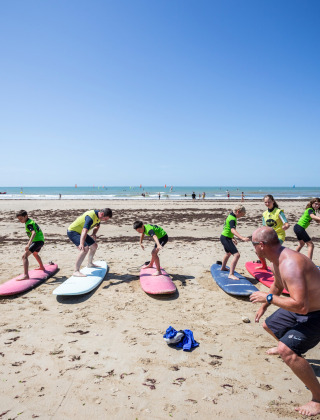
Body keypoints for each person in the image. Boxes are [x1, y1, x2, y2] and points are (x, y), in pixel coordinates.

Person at [250, 227, 320, 416]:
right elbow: (278, 285)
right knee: (268, 324)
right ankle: (294, 350)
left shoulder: (290, 263)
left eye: (253, 245)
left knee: (285, 350)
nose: (254, 249)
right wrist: (264, 305)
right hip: (303, 308)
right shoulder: (276, 259)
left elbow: (301, 306)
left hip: (316, 313)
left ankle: (318, 399)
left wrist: (269, 298)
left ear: (262, 246)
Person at [67, 208, 112, 277]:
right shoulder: (90, 217)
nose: (105, 221)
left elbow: (97, 226)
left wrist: (94, 234)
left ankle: (90, 264)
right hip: (73, 232)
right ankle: (76, 271)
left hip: (80, 232)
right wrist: (81, 244)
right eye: (105, 219)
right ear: (102, 214)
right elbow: (84, 231)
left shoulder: (98, 216)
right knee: (85, 248)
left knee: (94, 246)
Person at [258, 194, 290, 270]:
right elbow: (264, 227)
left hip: (279, 235)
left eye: (269, 202)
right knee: (259, 250)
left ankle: (278, 270)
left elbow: (286, 223)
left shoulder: (279, 212)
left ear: (273, 201)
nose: (267, 204)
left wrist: (285, 226)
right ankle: (264, 266)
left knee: (273, 252)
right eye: (265, 202)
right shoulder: (264, 214)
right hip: (269, 236)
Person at [220, 205, 250, 280]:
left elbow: (226, 228)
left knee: (228, 253)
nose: (241, 216)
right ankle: (231, 274)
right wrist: (242, 238)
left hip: (225, 237)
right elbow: (232, 230)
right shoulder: (232, 219)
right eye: (241, 214)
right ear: (238, 211)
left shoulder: (230, 215)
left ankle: (223, 267)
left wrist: (232, 238)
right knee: (237, 255)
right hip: (226, 238)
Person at [16, 210, 45, 280]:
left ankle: (26, 275)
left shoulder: (28, 224)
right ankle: (41, 267)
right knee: (35, 254)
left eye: (21, 219)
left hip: (37, 241)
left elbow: (33, 233)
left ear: (26, 216)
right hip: (41, 240)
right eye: (19, 219)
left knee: (24, 256)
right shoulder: (30, 221)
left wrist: (28, 244)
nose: (20, 221)